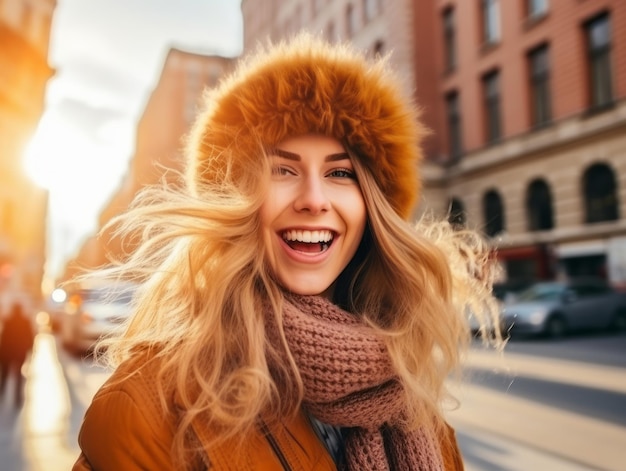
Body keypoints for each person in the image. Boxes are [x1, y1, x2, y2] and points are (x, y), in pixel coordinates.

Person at [72, 32, 502, 470]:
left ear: (372, 207)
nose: (314, 199)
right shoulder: (149, 406)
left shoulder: (412, 401)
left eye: (339, 172)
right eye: (282, 169)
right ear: (234, 197)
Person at [0, 303, 35, 407]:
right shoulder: (25, 322)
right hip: (19, 353)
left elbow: (3, 338)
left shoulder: (8, 321)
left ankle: (2, 392)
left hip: (7, 353)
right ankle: (17, 399)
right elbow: (30, 337)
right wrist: (29, 349)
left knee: (4, 375)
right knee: (18, 376)